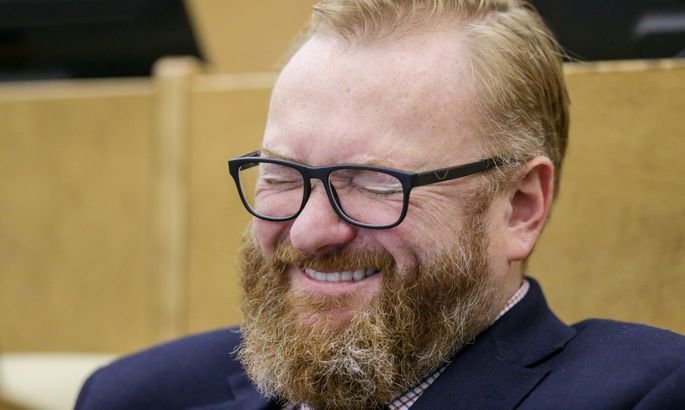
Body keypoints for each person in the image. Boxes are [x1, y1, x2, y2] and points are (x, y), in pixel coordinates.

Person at [76, 0, 685, 409]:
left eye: (371, 183)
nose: (310, 231)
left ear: (519, 207)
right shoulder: (137, 396)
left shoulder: (648, 393)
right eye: (282, 174)